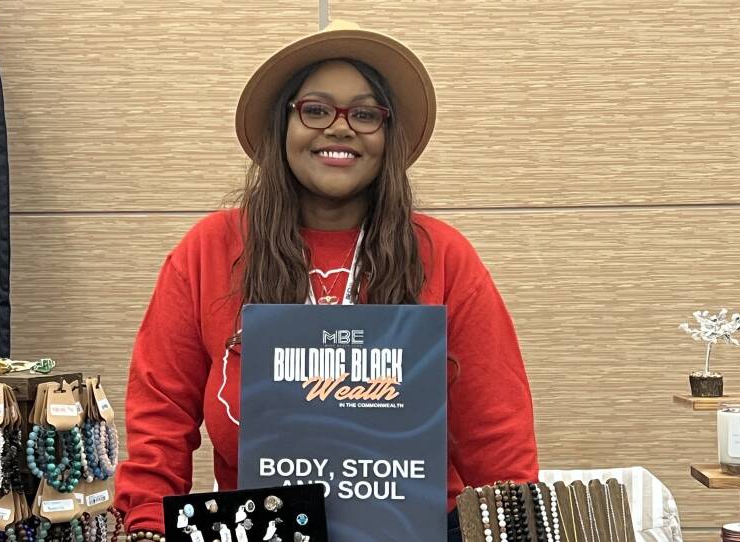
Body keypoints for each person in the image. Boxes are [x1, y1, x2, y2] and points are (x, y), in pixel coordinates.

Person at [116, 20, 538, 542]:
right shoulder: (210, 250)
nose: (339, 128)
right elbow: (161, 414)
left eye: (365, 114)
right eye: (315, 110)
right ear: (282, 127)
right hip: (261, 528)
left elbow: (496, 430)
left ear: (388, 135)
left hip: (418, 529)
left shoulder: (442, 255)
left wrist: (518, 531)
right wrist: (148, 525)